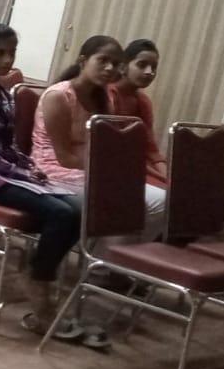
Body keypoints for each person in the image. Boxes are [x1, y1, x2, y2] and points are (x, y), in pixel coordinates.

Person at [0, 21, 91, 342]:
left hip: (3, 174)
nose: (7, 60)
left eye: (12, 53)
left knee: (79, 209)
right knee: (61, 213)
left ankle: (37, 268)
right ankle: (39, 282)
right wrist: (16, 172)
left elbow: (7, 145)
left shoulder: (2, 93)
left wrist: (29, 166)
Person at [31, 34, 167, 238]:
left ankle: (109, 255)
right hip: (53, 170)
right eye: (103, 60)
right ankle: (102, 256)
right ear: (83, 61)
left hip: (89, 170)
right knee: (126, 202)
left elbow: (107, 148)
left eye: (115, 63)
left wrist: (114, 170)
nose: (110, 68)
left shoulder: (104, 99)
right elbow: (64, 158)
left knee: (162, 201)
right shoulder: (59, 96)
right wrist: (107, 171)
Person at [108, 39, 168, 187]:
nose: (149, 72)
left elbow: (151, 149)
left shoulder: (143, 101)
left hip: (140, 166)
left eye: (153, 67)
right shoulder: (108, 95)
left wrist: (168, 177)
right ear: (123, 67)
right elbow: (112, 147)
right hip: (115, 166)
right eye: (142, 65)